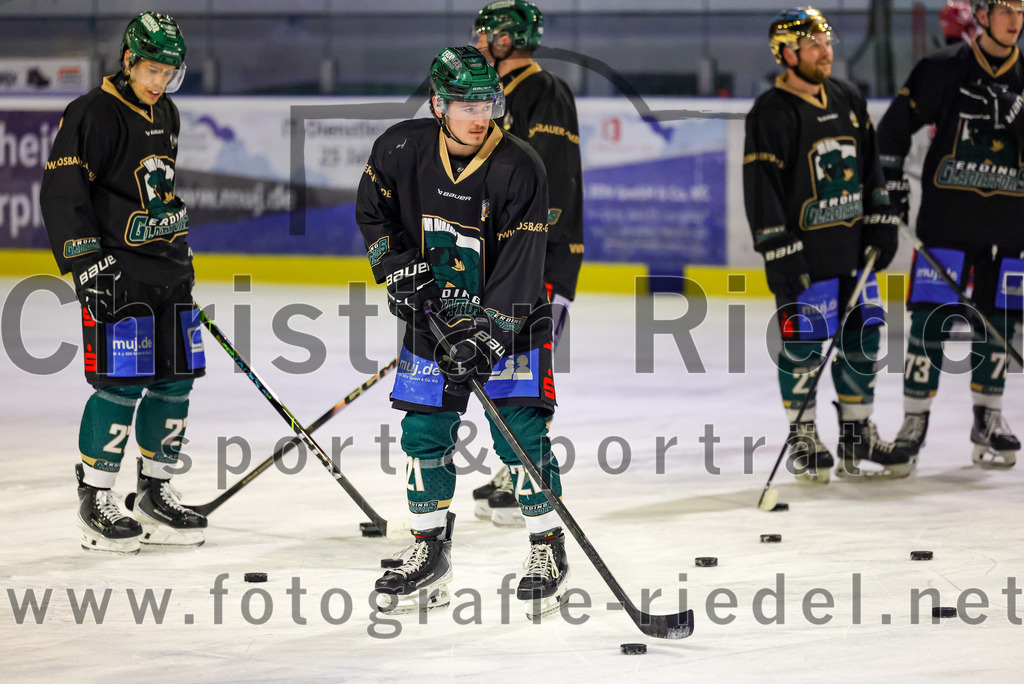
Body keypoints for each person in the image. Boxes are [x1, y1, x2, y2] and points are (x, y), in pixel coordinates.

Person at [356, 45, 569, 619]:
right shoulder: (399, 148)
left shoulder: (520, 166)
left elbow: (524, 264)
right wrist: (396, 267)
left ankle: (547, 547)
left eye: (488, 104)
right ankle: (429, 551)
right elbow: (373, 212)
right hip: (432, 320)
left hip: (512, 327)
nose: (480, 117)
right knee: (423, 432)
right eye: (466, 106)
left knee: (520, 436)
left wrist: (489, 335)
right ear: (438, 105)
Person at [40, 11, 206, 554]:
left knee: (175, 382)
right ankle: (96, 497)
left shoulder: (167, 111)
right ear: (129, 60)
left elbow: (157, 194)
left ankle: (155, 491)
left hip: (166, 271)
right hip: (117, 272)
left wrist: (178, 249)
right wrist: (87, 264)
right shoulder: (91, 112)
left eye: (170, 73)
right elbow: (63, 193)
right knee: (120, 385)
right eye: (153, 70)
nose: (160, 81)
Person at [743, 7, 912, 484]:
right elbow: (761, 189)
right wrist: (778, 249)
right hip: (804, 260)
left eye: (826, 42)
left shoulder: (848, 97)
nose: (825, 52)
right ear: (787, 54)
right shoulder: (770, 113)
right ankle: (804, 435)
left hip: (853, 254)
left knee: (864, 339)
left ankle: (857, 436)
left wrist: (881, 218)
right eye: (813, 44)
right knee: (803, 348)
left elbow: (871, 167)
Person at [877, 0, 1023, 469]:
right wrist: (893, 187)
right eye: (1005, 9)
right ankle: (914, 420)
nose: (1015, 19)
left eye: (1021, 9)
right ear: (982, 14)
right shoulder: (942, 68)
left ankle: (989, 416)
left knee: (1000, 321)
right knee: (929, 321)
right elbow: (892, 130)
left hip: (1010, 229)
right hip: (946, 225)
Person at [470, 0, 584, 526]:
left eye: (484, 34)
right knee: (503, 365)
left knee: (528, 370)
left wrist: (524, 249)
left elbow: (548, 182)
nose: (477, 42)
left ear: (506, 39)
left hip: (540, 254)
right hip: (508, 254)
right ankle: (514, 467)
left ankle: (529, 477)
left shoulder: (544, 90)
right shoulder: (497, 94)